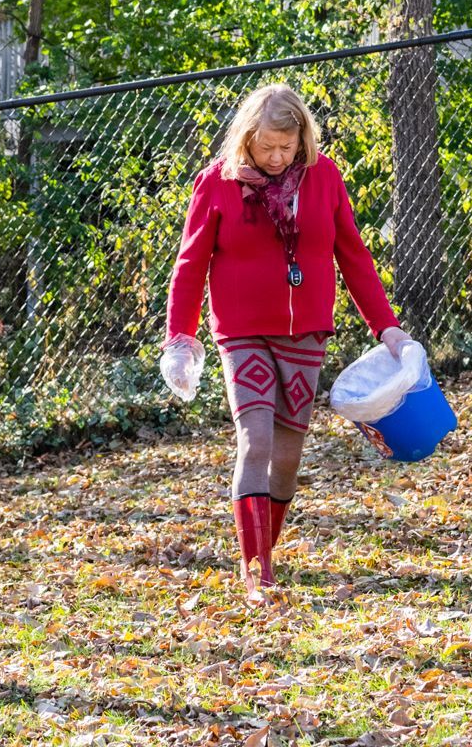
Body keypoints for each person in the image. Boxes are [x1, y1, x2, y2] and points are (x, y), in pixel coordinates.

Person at [164, 82, 417, 602]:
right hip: (242, 332)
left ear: (303, 138)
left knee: (288, 455)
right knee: (254, 442)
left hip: (305, 334)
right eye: (266, 148)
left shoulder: (324, 178)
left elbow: (354, 256)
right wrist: (180, 338)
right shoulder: (217, 183)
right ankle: (257, 572)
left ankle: (264, 549)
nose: (277, 158)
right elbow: (190, 266)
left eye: (287, 147)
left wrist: (386, 326)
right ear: (246, 139)